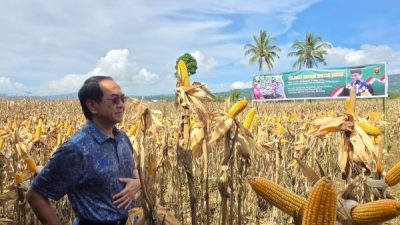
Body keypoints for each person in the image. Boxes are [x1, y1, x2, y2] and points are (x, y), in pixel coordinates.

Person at [26, 76, 141, 225]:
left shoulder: (122, 138)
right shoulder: (76, 149)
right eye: (114, 100)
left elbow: (130, 170)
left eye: (122, 99)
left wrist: (138, 182)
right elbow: (35, 195)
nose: (121, 105)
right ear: (92, 106)